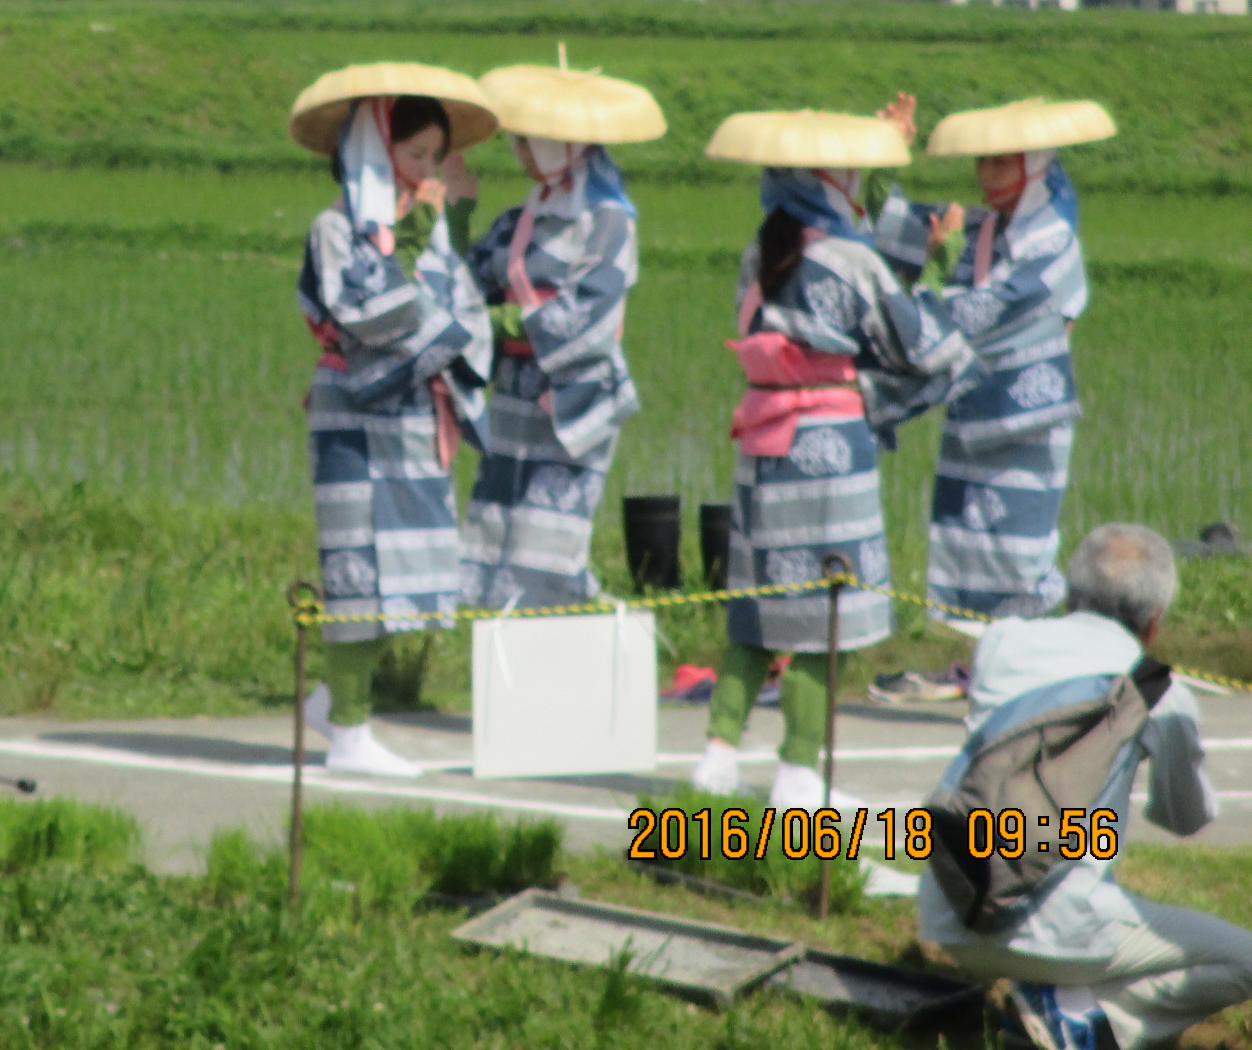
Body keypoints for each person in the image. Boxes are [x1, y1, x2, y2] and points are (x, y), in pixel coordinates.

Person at [692, 111, 981, 810]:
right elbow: (921, 346)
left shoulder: (758, 253)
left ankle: (716, 758)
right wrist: (938, 271)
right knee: (825, 617)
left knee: (757, 616)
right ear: (830, 180)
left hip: (762, 445)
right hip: (828, 453)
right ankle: (798, 773)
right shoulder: (851, 261)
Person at [919, 524, 1250, 1050]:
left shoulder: (1001, 643)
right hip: (1063, 935)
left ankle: (1056, 1001)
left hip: (951, 909)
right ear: (1154, 624)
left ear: (1070, 595)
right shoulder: (1158, 692)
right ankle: (1084, 1020)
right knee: (1242, 961)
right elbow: (1183, 819)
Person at [289, 66, 496, 778]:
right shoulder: (337, 228)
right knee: (361, 575)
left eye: (435, 158)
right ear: (375, 149)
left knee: (414, 573)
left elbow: (461, 313)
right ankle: (349, 732)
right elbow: (369, 315)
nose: (427, 171)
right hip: (353, 414)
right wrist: (419, 237)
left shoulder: (429, 228)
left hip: (415, 416)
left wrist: (454, 335)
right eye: (414, 155)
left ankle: (332, 702)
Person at [872, 96, 1113, 629]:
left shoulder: (1053, 246)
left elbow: (982, 313)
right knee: (965, 542)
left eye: (1001, 161)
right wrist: (885, 151)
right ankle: (972, 659)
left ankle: (1019, 656)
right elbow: (888, 228)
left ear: (1035, 165)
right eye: (982, 161)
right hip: (971, 418)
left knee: (1018, 550)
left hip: (1024, 428)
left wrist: (933, 272)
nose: (985, 174)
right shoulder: (980, 230)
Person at [460, 61, 666, 610]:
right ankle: (509, 657)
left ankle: (563, 645)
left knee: (551, 536)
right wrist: (453, 211)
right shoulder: (517, 219)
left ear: (565, 145)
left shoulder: (609, 223)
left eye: (532, 143)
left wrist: (502, 322)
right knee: (498, 525)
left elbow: (591, 314)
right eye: (519, 142)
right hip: (513, 395)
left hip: (574, 400)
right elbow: (465, 281)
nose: (522, 153)